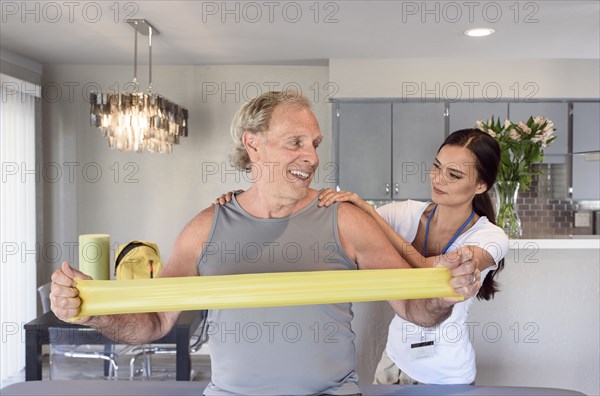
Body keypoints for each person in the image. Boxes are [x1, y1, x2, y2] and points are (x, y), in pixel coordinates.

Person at [50, 91, 481, 395]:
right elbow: (153, 324)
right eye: (295, 142)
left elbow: (416, 310)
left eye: (313, 144)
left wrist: (445, 293)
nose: (311, 157)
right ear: (253, 145)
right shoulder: (206, 227)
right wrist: (91, 310)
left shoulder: (345, 221)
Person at [317, 128, 509, 385]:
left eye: (453, 175)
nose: (438, 179)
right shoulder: (404, 213)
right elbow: (350, 232)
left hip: (446, 375)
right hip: (393, 361)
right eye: (436, 167)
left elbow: (428, 270)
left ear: (481, 185)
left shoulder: (491, 238)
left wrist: (371, 215)